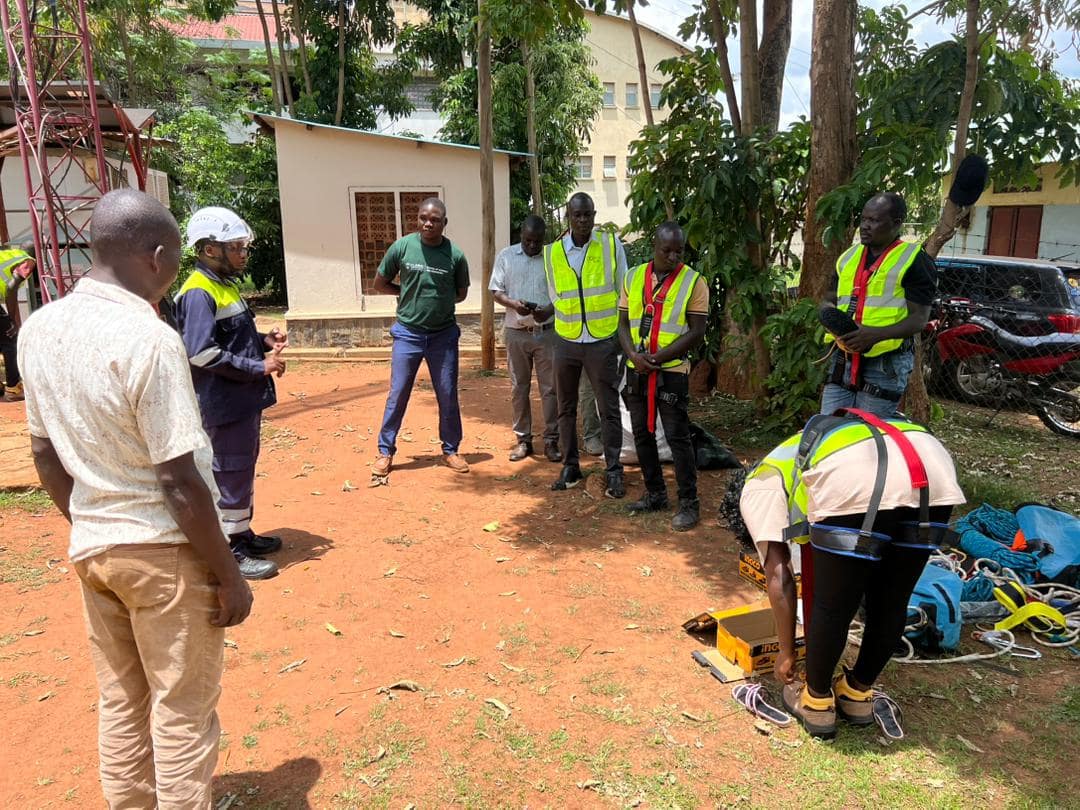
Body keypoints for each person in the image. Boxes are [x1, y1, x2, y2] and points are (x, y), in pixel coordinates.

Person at [18, 189, 253, 808]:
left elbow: (44, 455)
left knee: (122, 701)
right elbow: (178, 481)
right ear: (155, 256)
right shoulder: (148, 338)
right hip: (165, 555)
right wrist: (229, 575)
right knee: (181, 711)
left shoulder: (38, 329)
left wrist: (93, 519)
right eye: (175, 259)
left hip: (94, 548)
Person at [736, 409, 964, 740]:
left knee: (833, 606)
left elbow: (780, 576)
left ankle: (816, 702)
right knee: (892, 600)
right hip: (932, 466)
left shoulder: (757, 486)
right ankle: (857, 694)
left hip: (859, 478)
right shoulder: (790, 454)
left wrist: (786, 653)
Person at [174, 207, 285, 580]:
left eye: (243, 247)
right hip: (222, 404)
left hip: (241, 400)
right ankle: (230, 549)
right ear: (209, 249)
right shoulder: (198, 293)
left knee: (241, 468)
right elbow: (201, 351)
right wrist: (258, 367)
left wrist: (262, 341)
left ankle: (241, 532)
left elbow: (232, 336)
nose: (243, 254)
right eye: (236, 247)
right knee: (229, 470)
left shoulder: (223, 285)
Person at [617, 222, 708, 531]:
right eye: (666, 250)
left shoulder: (694, 282)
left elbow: (696, 332)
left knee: (677, 437)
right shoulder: (632, 277)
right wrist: (632, 355)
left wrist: (655, 359)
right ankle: (655, 493)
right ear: (653, 247)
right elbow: (621, 323)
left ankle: (688, 503)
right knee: (642, 434)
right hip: (636, 371)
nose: (672, 256)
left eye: (678, 251)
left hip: (671, 373)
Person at [372, 197, 471, 476]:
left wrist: (437, 301)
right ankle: (384, 452)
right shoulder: (402, 247)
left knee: (448, 394)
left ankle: (450, 450)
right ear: (417, 219)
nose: (428, 223)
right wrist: (404, 294)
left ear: (444, 222)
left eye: (435, 219)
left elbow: (461, 294)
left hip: (443, 337)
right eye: (423, 218)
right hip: (408, 335)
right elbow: (380, 283)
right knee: (398, 393)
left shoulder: (455, 255)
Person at [819, 193, 937, 417]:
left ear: (896, 223)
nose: (865, 226)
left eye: (873, 221)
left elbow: (919, 319)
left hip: (885, 364)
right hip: (842, 359)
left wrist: (873, 335)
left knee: (867, 438)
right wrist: (830, 318)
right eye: (863, 220)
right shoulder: (848, 257)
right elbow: (828, 299)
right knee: (829, 431)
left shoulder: (914, 260)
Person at [543, 192, 628, 497]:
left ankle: (614, 469)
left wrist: (618, 336)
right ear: (568, 217)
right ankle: (570, 467)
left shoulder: (609, 244)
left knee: (607, 408)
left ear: (594, 216)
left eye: (587, 215)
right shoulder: (552, 252)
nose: (582, 221)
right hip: (566, 340)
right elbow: (555, 294)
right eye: (577, 215)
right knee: (565, 407)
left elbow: (623, 289)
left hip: (601, 340)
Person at [490, 215, 561, 463]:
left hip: (547, 333)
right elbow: (496, 290)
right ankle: (524, 441)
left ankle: (552, 440)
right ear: (521, 235)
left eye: (537, 242)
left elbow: (563, 293)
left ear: (544, 238)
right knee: (519, 388)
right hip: (516, 332)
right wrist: (513, 304)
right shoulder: (506, 256)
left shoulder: (553, 258)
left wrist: (549, 310)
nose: (532, 246)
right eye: (528, 240)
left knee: (550, 389)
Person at [0, 242, 36, 402]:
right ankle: (13, 388)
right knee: (11, 340)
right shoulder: (27, 261)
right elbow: (11, 287)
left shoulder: (11, 254)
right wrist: (13, 321)